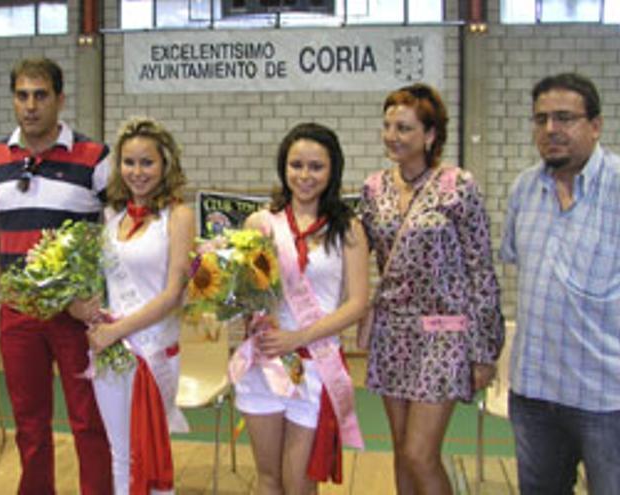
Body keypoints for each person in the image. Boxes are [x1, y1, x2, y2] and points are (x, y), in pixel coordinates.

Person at [357, 83, 504, 495]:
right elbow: (353, 248)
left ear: (430, 134)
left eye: (403, 127)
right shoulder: (374, 189)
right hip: (392, 335)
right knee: (402, 451)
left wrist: (483, 351)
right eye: (387, 126)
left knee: (421, 453)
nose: (392, 136)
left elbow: (481, 272)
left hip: (443, 335)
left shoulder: (458, 185)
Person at [0, 57, 113, 494]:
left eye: (40, 95)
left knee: (89, 421)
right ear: (13, 100)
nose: (31, 105)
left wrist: (95, 299)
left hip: (76, 315)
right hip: (18, 315)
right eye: (22, 95)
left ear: (59, 98)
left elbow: (118, 234)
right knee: (29, 425)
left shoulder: (95, 157)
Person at [232, 123, 369, 494]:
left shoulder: (349, 229)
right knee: (268, 478)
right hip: (265, 364)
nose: (304, 176)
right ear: (283, 167)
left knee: (299, 484)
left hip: (315, 363)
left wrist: (298, 337)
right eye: (296, 165)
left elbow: (358, 302)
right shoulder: (260, 224)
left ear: (332, 170)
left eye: (316, 167)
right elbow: (245, 295)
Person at [500, 73, 620, 495]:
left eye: (565, 118)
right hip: (535, 395)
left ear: (596, 125)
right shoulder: (524, 190)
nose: (551, 129)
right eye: (541, 119)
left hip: (608, 399)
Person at [84, 117, 193, 495]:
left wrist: (117, 330)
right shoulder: (111, 217)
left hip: (153, 351)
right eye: (129, 162)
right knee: (119, 452)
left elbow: (173, 293)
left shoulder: (178, 216)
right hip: (112, 351)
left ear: (165, 164)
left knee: (151, 450)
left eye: (147, 162)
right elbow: (106, 284)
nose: (137, 171)